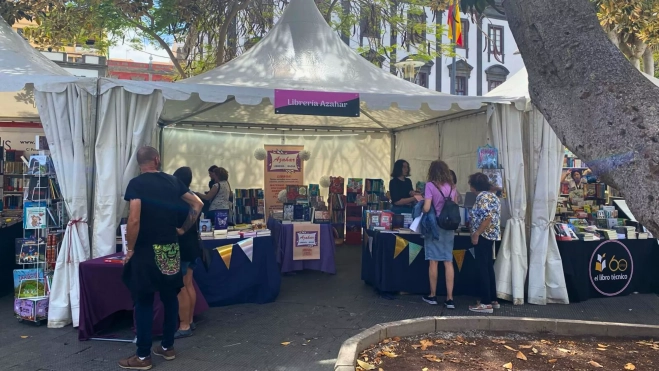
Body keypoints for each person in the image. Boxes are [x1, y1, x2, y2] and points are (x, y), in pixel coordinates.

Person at [119, 147, 203, 370]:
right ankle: (167, 347)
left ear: (139, 164)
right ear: (157, 160)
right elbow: (198, 204)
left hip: (146, 250)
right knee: (170, 297)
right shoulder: (173, 182)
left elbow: (134, 219)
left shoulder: (136, 184)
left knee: (144, 300)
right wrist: (183, 230)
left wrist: (130, 249)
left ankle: (144, 356)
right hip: (169, 249)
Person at [421, 161, 458, 309]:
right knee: (448, 261)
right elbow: (455, 206)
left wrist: (422, 206)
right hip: (449, 227)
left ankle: (432, 295)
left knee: (433, 261)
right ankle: (450, 298)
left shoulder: (430, 185)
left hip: (435, 226)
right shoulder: (452, 187)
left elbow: (427, 207)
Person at [172, 167, 201, 339]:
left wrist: (181, 229)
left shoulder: (180, 199)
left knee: (181, 286)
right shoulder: (192, 195)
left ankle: (183, 326)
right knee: (188, 284)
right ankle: (189, 321)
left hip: (182, 245)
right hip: (192, 245)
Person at [467, 173, 501, 314]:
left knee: (483, 268)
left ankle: (486, 302)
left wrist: (476, 233)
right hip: (492, 235)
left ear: (474, 186)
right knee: (488, 266)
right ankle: (493, 299)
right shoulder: (493, 196)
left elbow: (486, 218)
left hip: (483, 235)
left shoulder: (482, 197)